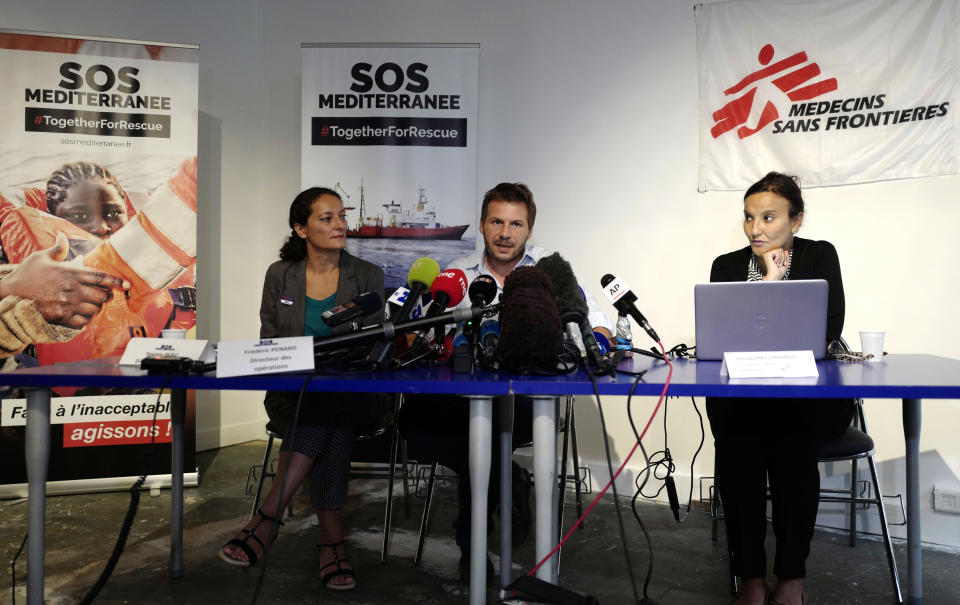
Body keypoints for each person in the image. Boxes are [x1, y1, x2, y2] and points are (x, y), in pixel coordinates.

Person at [399, 182, 613, 582]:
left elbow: (590, 316)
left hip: (529, 396)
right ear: (481, 225)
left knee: (482, 437)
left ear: (529, 230)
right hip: (464, 397)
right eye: (496, 221)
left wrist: (597, 339)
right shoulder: (458, 274)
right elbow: (423, 335)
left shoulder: (549, 268)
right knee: (426, 428)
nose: (505, 232)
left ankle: (472, 546)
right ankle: (509, 476)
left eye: (516, 224)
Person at [219, 187, 387, 591]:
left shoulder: (367, 276)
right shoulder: (280, 275)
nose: (340, 224)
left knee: (328, 406)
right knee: (328, 423)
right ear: (300, 228)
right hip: (291, 395)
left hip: (354, 395)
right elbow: (270, 340)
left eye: (341, 216)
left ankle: (267, 517)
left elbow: (371, 346)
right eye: (326, 218)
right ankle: (332, 546)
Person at [707, 172, 854, 605]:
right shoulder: (727, 266)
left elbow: (828, 328)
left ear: (796, 220)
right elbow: (725, 335)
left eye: (769, 217)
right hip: (745, 401)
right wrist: (769, 283)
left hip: (802, 399)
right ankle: (751, 578)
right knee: (736, 454)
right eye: (749, 217)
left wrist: (774, 287)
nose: (756, 228)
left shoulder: (819, 257)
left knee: (792, 446)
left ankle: (791, 577)